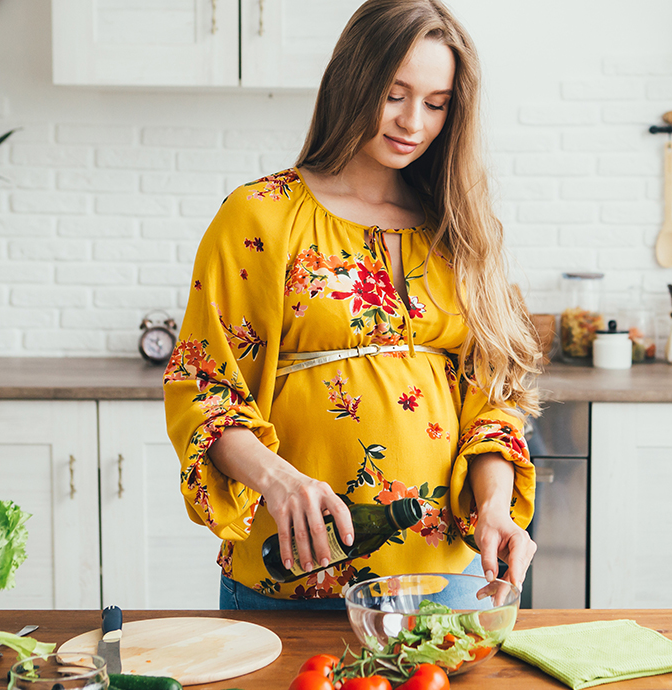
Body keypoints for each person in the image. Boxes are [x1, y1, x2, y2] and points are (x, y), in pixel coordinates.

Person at [163, 0, 542, 610]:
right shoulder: (261, 215)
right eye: (394, 93)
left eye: (437, 103)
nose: (413, 121)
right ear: (353, 80)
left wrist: (495, 506)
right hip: (301, 568)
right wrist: (279, 483)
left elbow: (492, 397)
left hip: (445, 576)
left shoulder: (462, 230)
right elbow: (204, 390)